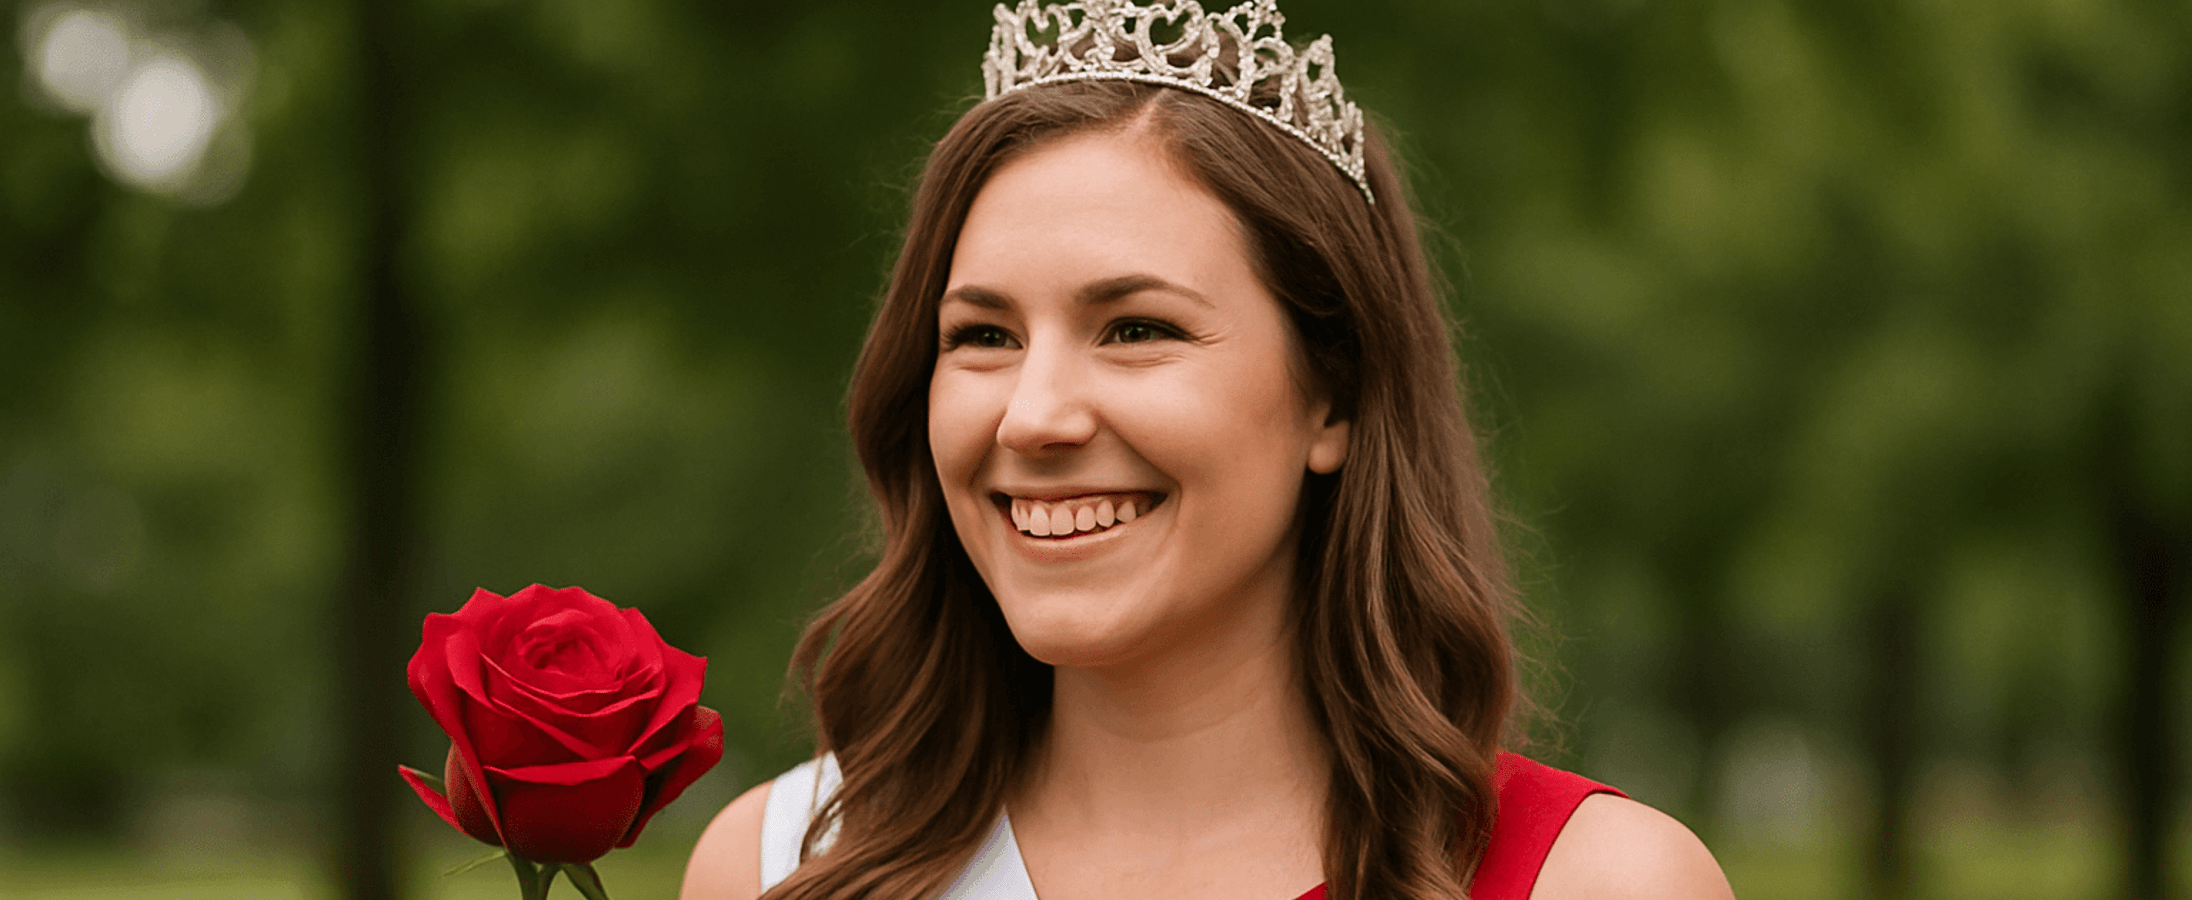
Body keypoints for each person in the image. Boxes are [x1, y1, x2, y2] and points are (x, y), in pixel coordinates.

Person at [684, 1, 1734, 898]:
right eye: (982, 337)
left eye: (1135, 329)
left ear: (1335, 396)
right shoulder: (780, 864)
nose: (1032, 416)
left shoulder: (1589, 881)